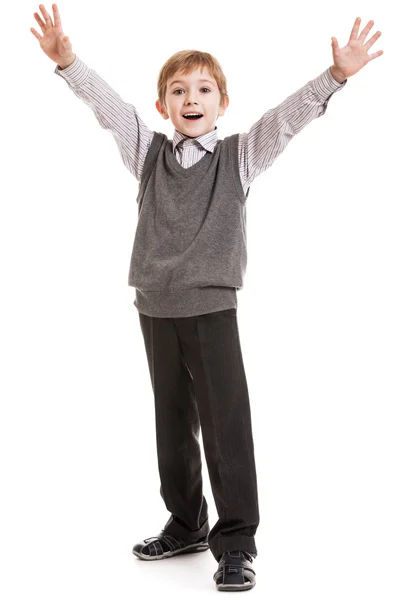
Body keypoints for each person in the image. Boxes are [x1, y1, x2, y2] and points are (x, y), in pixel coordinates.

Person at [30, 4, 383, 592]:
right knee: (171, 421)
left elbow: (287, 120)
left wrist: (336, 77)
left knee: (225, 424)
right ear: (163, 105)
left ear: (222, 102)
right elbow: (108, 108)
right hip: (154, 305)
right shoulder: (148, 153)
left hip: (212, 307)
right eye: (178, 89)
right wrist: (68, 63)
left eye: (204, 89)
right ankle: (187, 522)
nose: (191, 98)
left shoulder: (238, 156)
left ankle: (237, 541)